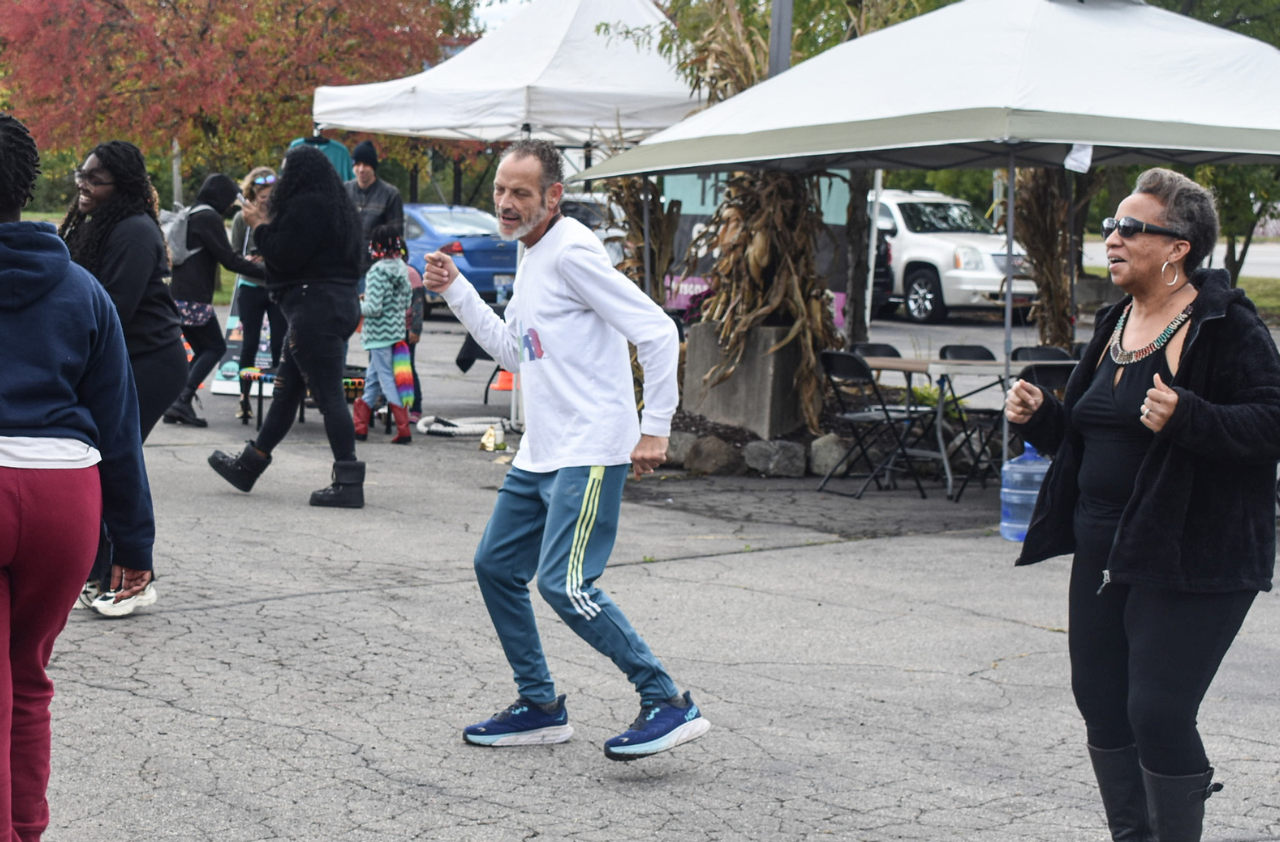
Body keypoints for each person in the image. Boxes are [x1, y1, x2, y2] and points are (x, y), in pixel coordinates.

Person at [1005, 168, 1280, 841]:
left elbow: (1270, 423)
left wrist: (1191, 415)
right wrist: (1043, 419)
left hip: (1193, 549)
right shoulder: (1115, 319)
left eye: (1130, 228)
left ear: (1177, 246)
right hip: (1104, 543)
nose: (1113, 238)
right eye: (1111, 227)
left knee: (1157, 710)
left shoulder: (1226, 325)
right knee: (1100, 703)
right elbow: (1093, 432)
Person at [423, 139, 709, 761]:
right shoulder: (531, 252)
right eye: (500, 189)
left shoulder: (573, 251)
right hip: (541, 451)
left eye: (520, 193)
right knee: (496, 567)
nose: (505, 202)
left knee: (564, 583)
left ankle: (666, 700)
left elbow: (659, 331)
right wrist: (457, 290)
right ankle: (540, 706)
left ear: (552, 197)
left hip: (588, 448)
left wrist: (654, 426)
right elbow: (515, 352)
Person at [0, 112, 155, 842]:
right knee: (26, 681)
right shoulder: (83, 291)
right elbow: (119, 425)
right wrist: (134, 543)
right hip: (66, 496)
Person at [59, 139, 183, 616]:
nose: (84, 186)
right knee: (99, 460)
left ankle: (134, 576)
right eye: (82, 175)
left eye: (95, 179)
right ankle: (98, 570)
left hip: (149, 360)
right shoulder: (96, 223)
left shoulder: (133, 230)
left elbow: (114, 307)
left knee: (116, 459)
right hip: (116, 359)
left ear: (122, 185)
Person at [208, 143, 366, 508]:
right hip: (337, 304)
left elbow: (283, 255)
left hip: (314, 309)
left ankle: (348, 480)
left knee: (328, 396)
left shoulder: (306, 206)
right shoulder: (341, 208)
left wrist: (260, 227)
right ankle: (250, 464)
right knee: (287, 391)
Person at [163, 172, 267, 426]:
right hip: (195, 298)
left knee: (202, 349)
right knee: (215, 348)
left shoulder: (192, 211)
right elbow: (229, 260)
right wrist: (266, 271)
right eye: (230, 200)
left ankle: (177, 400)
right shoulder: (208, 216)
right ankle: (182, 398)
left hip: (179, 295)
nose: (229, 206)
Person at [229, 166, 287, 420]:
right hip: (250, 286)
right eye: (262, 196)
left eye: (271, 195)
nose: (266, 200)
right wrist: (248, 260)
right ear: (252, 193)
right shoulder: (243, 218)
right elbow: (233, 254)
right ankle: (244, 399)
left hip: (275, 287)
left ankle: (279, 399)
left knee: (279, 342)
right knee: (250, 343)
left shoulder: (280, 215)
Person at [354, 224, 413, 444]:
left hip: (378, 335)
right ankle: (359, 428)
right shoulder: (402, 268)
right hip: (396, 333)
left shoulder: (377, 272)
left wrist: (355, 305)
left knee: (387, 379)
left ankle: (403, 429)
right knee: (372, 379)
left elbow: (373, 309)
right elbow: (406, 302)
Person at [345, 140, 403, 266]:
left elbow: (395, 235)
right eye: (357, 164)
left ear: (373, 166)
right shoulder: (344, 191)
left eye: (366, 165)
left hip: (377, 267)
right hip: (347, 266)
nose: (361, 169)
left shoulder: (390, 194)